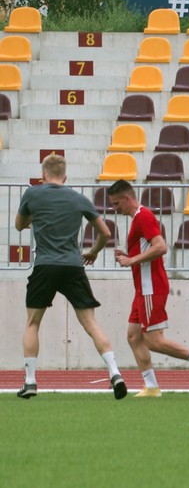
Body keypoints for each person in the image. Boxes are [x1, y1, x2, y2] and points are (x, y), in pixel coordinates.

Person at [15, 154, 126, 399]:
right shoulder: (78, 198)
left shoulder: (32, 195)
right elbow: (106, 232)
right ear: (65, 176)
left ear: (43, 175)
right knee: (90, 323)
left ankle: (31, 381)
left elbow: (19, 224)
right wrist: (94, 253)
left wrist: (38, 216)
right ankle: (115, 372)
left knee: (33, 323)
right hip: (73, 265)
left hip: (45, 264)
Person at [107, 180, 189, 397]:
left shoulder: (143, 216)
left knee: (154, 341)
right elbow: (148, 248)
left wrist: (132, 261)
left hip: (151, 287)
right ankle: (151, 387)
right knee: (133, 336)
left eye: (116, 204)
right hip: (143, 288)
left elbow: (161, 246)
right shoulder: (138, 219)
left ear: (127, 198)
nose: (115, 209)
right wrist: (129, 256)